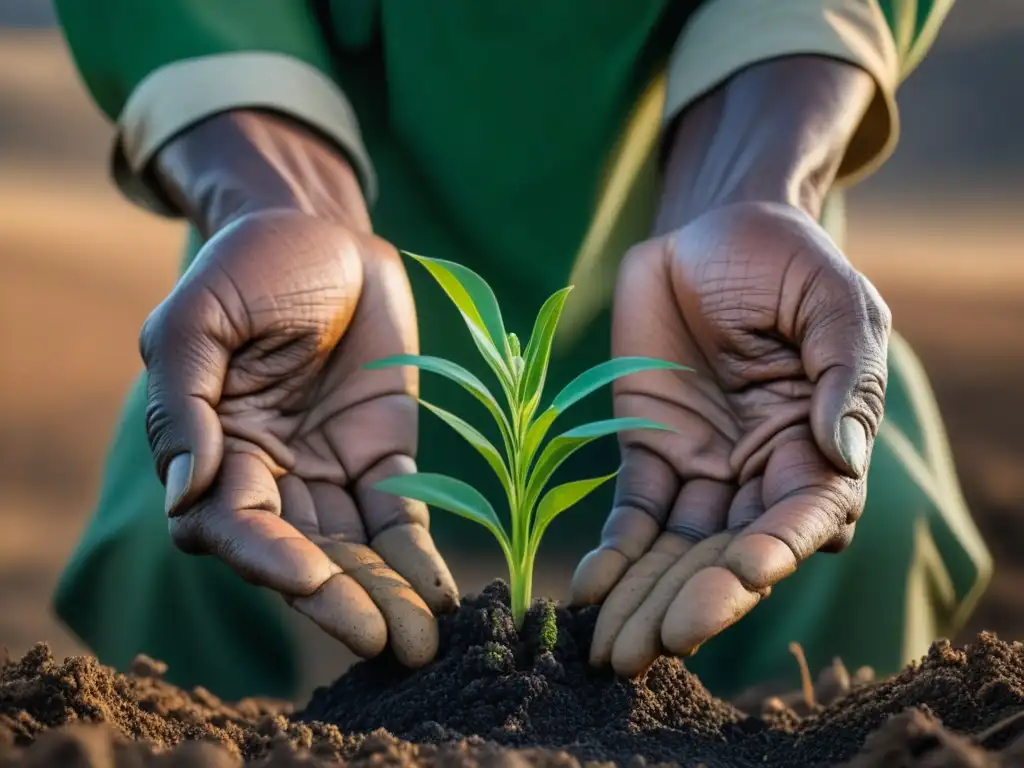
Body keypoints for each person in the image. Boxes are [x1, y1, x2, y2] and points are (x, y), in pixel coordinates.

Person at [51, 0, 992, 702]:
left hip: (718, 336)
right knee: (176, 518)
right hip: (319, 350)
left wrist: (751, 187)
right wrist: (274, 197)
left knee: (870, 517)